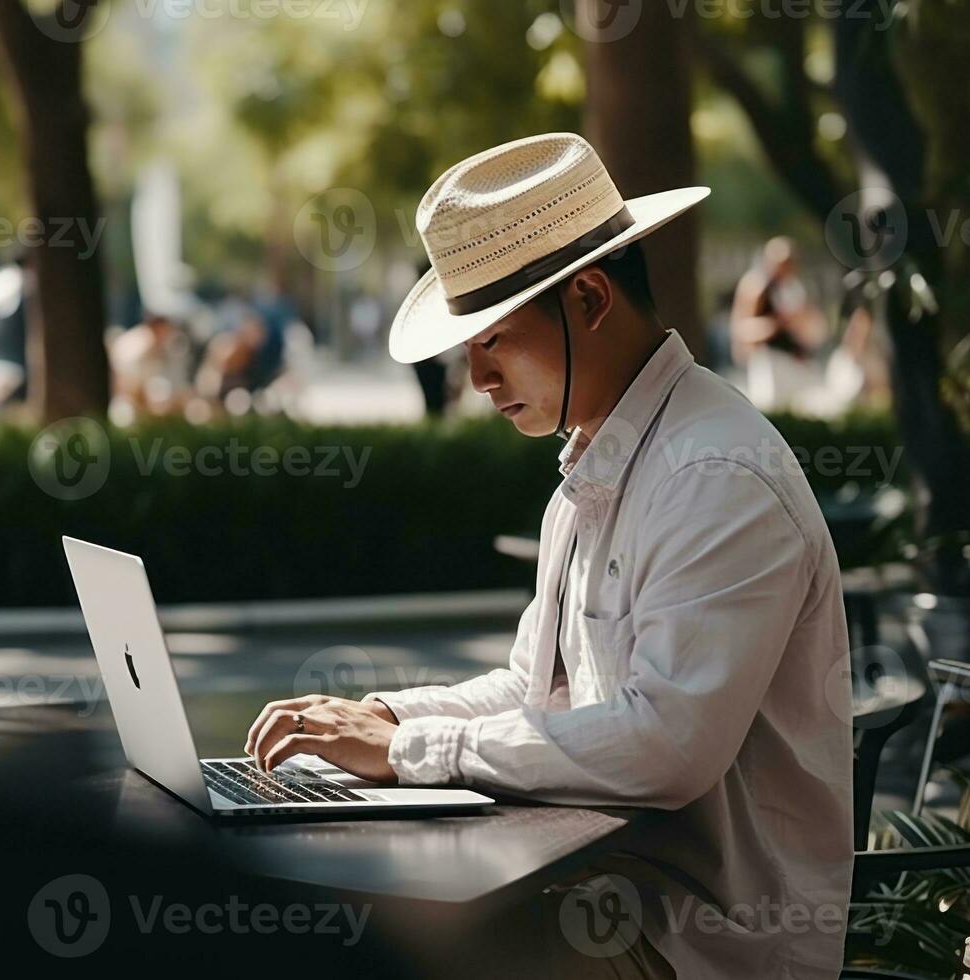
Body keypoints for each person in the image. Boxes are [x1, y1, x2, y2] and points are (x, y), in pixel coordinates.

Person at [244, 134, 851, 978]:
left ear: (590, 298)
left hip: (701, 945)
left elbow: (667, 745)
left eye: (492, 340)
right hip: (606, 891)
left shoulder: (714, 473)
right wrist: (385, 717)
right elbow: (537, 688)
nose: (477, 378)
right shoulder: (599, 462)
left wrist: (405, 753)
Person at [730, 237, 829, 410]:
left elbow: (813, 327)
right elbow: (741, 330)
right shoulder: (755, 286)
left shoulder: (796, 288)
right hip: (769, 361)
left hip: (796, 361)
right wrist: (776, 324)